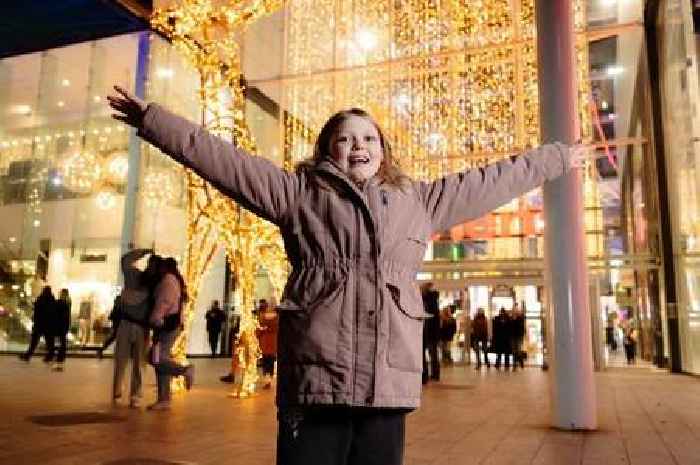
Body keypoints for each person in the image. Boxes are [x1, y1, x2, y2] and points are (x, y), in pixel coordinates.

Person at [108, 85, 584, 465]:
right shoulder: (298, 194)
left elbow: (494, 178)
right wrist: (154, 120)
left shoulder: (419, 201)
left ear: (384, 150)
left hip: (386, 385)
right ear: (328, 150)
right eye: (346, 138)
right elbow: (223, 161)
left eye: (369, 138)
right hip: (317, 380)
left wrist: (558, 158)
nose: (360, 146)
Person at [148, 257, 194, 411]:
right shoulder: (173, 281)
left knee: (157, 359)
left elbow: (164, 303)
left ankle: (184, 370)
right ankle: (164, 399)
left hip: (165, 325)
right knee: (159, 360)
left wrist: (155, 318)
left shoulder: (168, 281)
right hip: (167, 325)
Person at [112, 248, 157, 408]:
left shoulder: (150, 283)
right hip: (132, 324)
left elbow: (125, 260)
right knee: (125, 360)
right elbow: (125, 260)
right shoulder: (135, 276)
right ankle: (124, 394)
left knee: (135, 362)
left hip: (138, 325)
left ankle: (132, 395)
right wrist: (144, 251)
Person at [19, 286, 55, 362]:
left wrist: (35, 321)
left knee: (34, 341)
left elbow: (36, 311)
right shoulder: (52, 300)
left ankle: (28, 355)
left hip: (39, 324)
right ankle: (50, 356)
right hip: (48, 324)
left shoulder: (41, 299)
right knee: (49, 342)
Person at [256, 299, 279, 389]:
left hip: (265, 341)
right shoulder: (277, 318)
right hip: (273, 341)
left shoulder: (262, 317)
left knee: (266, 361)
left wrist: (258, 335)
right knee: (270, 361)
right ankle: (268, 379)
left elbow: (259, 329)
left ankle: (267, 379)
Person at [421, 282, 441, 384]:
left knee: (429, 354)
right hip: (430, 332)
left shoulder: (429, 301)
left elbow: (430, 318)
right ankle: (433, 374)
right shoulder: (432, 300)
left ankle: (428, 375)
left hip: (429, 332)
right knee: (432, 354)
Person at [48, 289, 71, 370]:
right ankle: (59, 357)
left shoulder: (58, 302)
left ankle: (54, 356)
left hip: (58, 325)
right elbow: (66, 317)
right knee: (62, 342)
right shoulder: (65, 303)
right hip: (61, 326)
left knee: (58, 342)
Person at [98, 294, 123, 359]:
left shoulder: (117, 307)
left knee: (113, 339)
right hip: (117, 326)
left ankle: (101, 350)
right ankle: (101, 350)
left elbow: (110, 317)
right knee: (113, 339)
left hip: (118, 326)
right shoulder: (118, 308)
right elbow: (111, 317)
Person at [509, 304, 526, 371]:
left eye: (516, 310)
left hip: (518, 336)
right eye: (514, 310)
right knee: (514, 351)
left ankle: (521, 360)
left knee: (518, 350)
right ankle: (514, 366)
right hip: (512, 336)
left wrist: (522, 335)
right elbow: (509, 328)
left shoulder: (520, 318)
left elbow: (522, 328)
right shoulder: (510, 318)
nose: (515, 311)